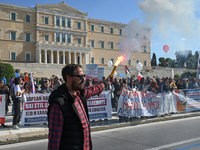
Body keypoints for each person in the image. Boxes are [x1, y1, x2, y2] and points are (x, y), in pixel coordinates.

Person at [48, 64, 109, 150]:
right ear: (68, 78)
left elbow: (93, 90)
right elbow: (54, 141)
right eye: (80, 77)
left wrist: (105, 83)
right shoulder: (59, 105)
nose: (84, 79)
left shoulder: (80, 95)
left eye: (83, 76)